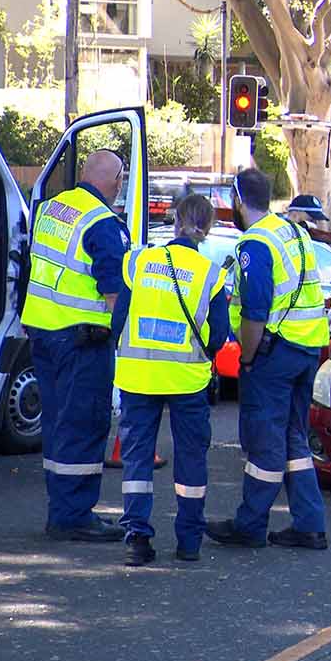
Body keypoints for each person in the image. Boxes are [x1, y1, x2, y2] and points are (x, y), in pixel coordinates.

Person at [206, 169, 330, 550]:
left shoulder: (254, 244)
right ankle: (310, 524)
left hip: (275, 354)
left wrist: (247, 357)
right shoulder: (294, 231)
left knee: (264, 441)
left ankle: (250, 524)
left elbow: (255, 311)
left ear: (238, 200)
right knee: (294, 437)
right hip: (307, 348)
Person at [112, 195, 231, 565]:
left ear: (176, 221)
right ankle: (189, 542)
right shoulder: (210, 274)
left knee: (137, 460)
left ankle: (136, 540)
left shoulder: (139, 262)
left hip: (137, 376)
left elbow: (119, 319)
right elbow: (218, 337)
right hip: (187, 380)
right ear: (206, 230)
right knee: (191, 459)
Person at [22, 149, 130, 543]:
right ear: (116, 182)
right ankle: (73, 516)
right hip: (82, 341)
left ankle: (62, 507)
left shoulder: (51, 209)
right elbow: (115, 294)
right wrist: (127, 342)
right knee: (84, 422)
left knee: (56, 422)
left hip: (43, 333)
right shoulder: (104, 224)